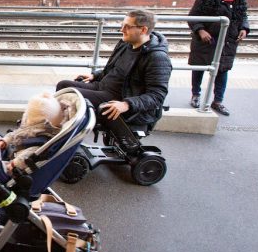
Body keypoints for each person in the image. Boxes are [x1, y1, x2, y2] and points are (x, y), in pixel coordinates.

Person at [55, 9, 172, 150]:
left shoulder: (157, 58)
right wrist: (95, 76)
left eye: (127, 26)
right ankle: (59, 136)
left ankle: (61, 142)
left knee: (70, 96)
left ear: (143, 30)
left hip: (119, 98)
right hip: (103, 87)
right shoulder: (125, 44)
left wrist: (127, 104)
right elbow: (112, 69)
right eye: (122, 25)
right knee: (63, 86)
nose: (122, 29)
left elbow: (157, 96)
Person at [188, 0, 249, 116]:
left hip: (227, 42)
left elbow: (243, 17)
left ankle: (218, 101)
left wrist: (244, 28)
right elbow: (193, 17)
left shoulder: (238, 0)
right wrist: (200, 30)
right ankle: (195, 94)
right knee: (199, 68)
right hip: (206, 41)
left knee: (222, 70)